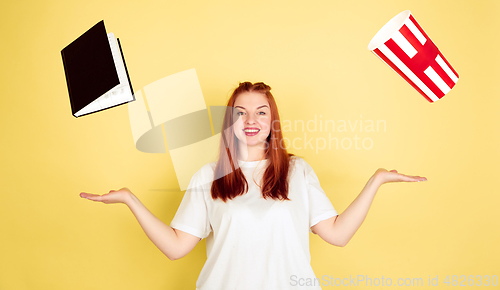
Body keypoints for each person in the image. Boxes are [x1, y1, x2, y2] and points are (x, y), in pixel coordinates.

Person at [80, 82, 427, 290]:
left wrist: (376, 180)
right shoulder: (208, 176)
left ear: (272, 121)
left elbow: (337, 234)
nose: (251, 120)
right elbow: (175, 247)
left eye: (261, 112)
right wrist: (130, 200)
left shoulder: (297, 171)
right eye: (241, 112)